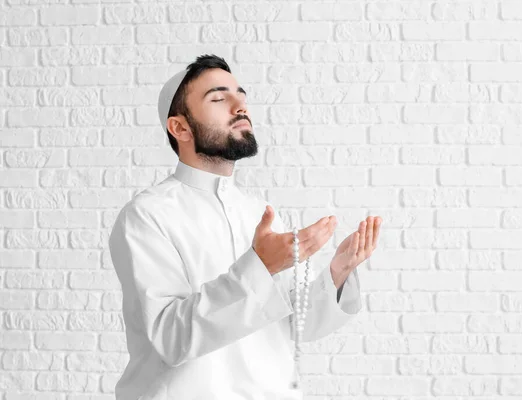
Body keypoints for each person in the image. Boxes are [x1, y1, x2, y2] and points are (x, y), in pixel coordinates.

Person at [108, 54, 382, 400]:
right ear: (180, 128)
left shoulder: (259, 213)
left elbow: (297, 325)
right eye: (219, 99)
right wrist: (261, 266)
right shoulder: (147, 216)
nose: (240, 106)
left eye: (241, 95)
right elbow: (170, 338)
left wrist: (339, 271)